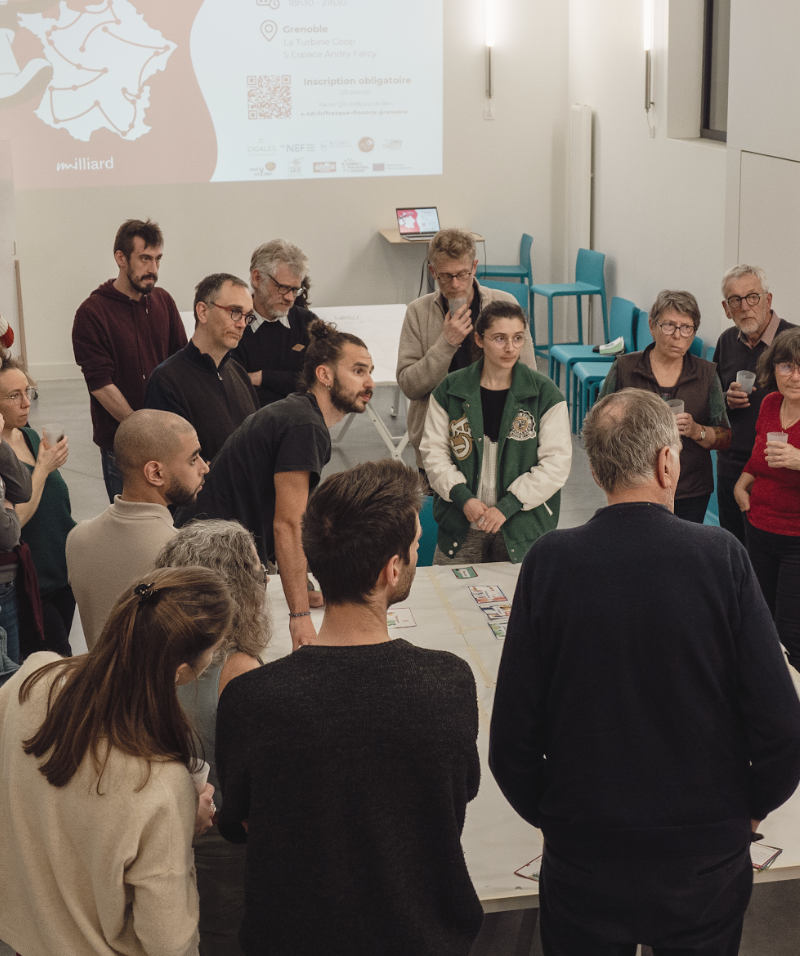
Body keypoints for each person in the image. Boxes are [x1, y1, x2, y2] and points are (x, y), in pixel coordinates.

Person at [489, 388, 800, 956]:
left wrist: (559, 819)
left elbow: (511, 741)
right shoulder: (721, 557)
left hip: (585, 853)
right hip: (704, 856)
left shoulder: (549, 562)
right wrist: (746, 812)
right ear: (667, 463)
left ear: (594, 470)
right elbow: (782, 727)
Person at [215, 460, 483, 956]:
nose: (416, 552)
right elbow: (456, 799)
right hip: (418, 939)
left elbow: (241, 821)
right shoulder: (447, 683)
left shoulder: (251, 699)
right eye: (415, 544)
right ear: (392, 569)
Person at [0, 566, 233, 956]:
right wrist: (181, 829)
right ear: (180, 672)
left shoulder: (33, 677)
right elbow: (168, 942)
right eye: (214, 652)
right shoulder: (160, 783)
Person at [177, 321, 373, 649]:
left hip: (214, 556)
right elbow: (288, 524)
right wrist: (300, 617)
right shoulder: (304, 425)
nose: (369, 383)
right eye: (358, 371)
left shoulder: (300, 414)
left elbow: (294, 515)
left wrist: (305, 585)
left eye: (369, 372)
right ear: (324, 375)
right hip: (207, 566)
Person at [156, 520, 271, 956]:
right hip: (223, 845)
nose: (264, 580)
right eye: (259, 572)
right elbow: (259, 789)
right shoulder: (238, 673)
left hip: (167, 835)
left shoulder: (152, 651)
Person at [420, 301, 571, 564]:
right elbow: (433, 453)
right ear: (479, 339)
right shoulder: (450, 390)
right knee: (450, 588)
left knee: (518, 591)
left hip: (521, 524)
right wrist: (463, 498)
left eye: (517, 338)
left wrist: (508, 505)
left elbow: (556, 463)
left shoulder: (545, 394)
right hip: (461, 523)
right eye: (500, 339)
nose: (510, 348)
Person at [66, 408, 210, 650]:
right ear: (155, 473)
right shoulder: (184, 553)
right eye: (193, 460)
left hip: (98, 675)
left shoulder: (77, 538)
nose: (204, 468)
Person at [397, 228, 536, 474]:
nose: (455, 284)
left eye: (462, 274)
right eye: (445, 276)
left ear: (474, 266)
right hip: (436, 444)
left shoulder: (504, 305)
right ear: (432, 272)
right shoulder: (417, 312)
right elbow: (410, 386)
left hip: (496, 440)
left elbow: (528, 378)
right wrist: (446, 343)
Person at [72, 218, 187, 502]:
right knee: (132, 523)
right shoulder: (93, 312)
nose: (153, 269)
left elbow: (181, 363)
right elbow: (100, 384)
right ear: (120, 258)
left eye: (158, 259)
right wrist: (142, 432)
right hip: (124, 447)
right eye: (145, 258)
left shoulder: (164, 302)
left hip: (168, 441)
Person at [599, 289, 731, 522]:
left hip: (690, 489)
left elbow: (725, 437)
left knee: (683, 545)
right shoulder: (625, 368)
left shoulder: (706, 374)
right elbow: (598, 425)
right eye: (669, 326)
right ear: (652, 326)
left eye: (686, 327)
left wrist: (697, 430)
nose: (677, 335)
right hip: (632, 486)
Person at [714, 264, 795, 544]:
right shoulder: (726, 341)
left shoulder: (793, 342)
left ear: (768, 300)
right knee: (732, 550)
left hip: (779, 471)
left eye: (752, 297)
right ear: (726, 308)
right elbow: (713, 402)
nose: (745, 306)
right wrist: (726, 399)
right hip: (730, 464)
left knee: (769, 559)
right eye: (735, 300)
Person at [734, 328, 800, 674]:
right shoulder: (770, 403)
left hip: (796, 539)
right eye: (786, 366)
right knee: (760, 620)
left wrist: (799, 459)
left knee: (791, 632)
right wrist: (742, 483)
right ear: (773, 368)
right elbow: (758, 455)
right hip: (759, 527)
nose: (795, 376)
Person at [0, 357, 75, 655]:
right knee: (60, 663)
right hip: (32, 584)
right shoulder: (3, 456)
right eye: (13, 396)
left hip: (63, 574)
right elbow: (13, 524)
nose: (26, 403)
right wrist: (43, 469)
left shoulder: (30, 436)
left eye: (27, 392)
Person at [145, 273, 259, 462]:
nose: (241, 324)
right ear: (203, 312)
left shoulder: (238, 373)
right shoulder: (166, 380)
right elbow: (173, 463)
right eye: (235, 312)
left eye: (248, 317)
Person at [231, 239, 319, 407]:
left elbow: (318, 381)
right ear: (257, 279)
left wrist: (263, 377)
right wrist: (289, 382)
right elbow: (235, 388)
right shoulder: (234, 325)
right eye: (283, 287)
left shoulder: (307, 323)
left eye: (295, 289)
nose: (290, 298)